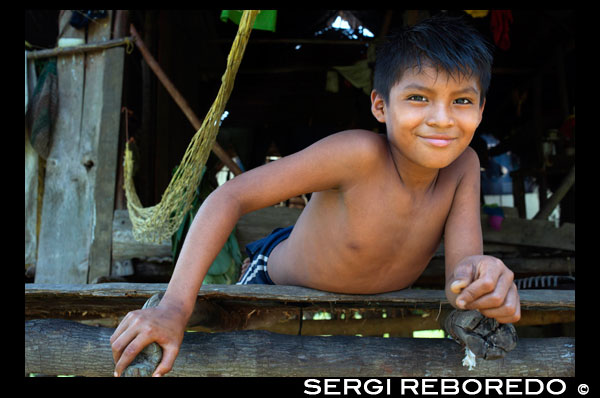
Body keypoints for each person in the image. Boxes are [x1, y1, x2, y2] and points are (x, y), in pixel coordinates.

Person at [111, 14, 521, 377]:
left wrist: (486, 282)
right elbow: (229, 197)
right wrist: (174, 308)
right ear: (380, 105)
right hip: (270, 279)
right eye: (418, 97)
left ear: (481, 109)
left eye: (461, 101)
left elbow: (461, 278)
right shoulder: (357, 154)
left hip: (369, 301)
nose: (441, 118)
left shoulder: (463, 166)